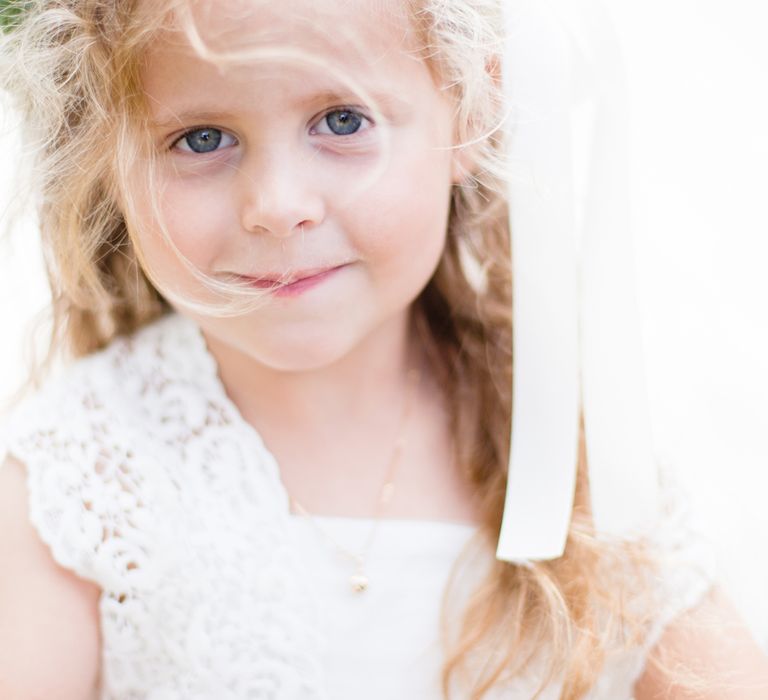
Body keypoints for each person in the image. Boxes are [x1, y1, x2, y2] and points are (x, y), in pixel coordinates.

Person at [0, 0, 766, 698]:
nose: (279, 205)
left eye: (341, 121)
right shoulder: (80, 478)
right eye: (202, 138)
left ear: (473, 110)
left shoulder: (578, 452)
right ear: (108, 157)